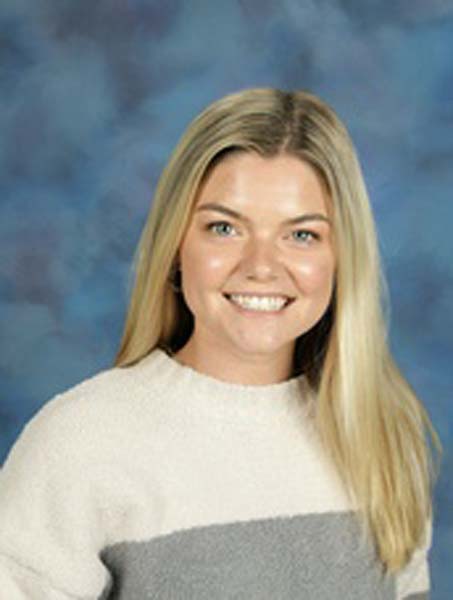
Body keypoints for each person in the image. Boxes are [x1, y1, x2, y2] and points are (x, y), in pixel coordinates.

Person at [0, 88, 442, 599]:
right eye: (225, 228)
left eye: (301, 235)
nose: (261, 267)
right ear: (176, 246)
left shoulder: (384, 438)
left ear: (342, 258)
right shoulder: (80, 444)